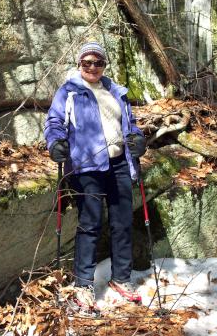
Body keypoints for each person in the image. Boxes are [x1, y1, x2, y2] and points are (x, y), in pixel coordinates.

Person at [44, 41, 146, 313]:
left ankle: (122, 279)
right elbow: (54, 123)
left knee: (123, 222)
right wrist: (56, 144)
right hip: (86, 166)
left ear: (104, 65)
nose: (92, 67)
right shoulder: (70, 91)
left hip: (119, 164)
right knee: (90, 223)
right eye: (87, 62)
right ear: (79, 64)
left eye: (98, 62)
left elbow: (130, 124)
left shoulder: (116, 91)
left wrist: (138, 140)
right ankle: (84, 285)